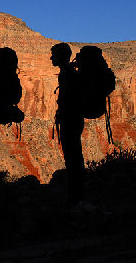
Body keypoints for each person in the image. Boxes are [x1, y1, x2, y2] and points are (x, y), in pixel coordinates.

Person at [51, 43, 85, 205]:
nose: (51, 58)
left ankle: (76, 194)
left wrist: (63, 112)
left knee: (73, 155)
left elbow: (68, 99)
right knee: (74, 154)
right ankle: (76, 191)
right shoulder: (69, 72)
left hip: (70, 120)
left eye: (54, 54)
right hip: (74, 119)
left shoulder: (66, 74)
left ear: (62, 56)